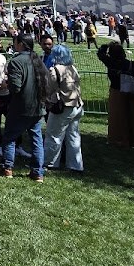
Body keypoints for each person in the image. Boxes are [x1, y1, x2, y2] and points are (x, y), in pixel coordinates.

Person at [0, 34, 45, 181]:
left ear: (21, 44)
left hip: (21, 107)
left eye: (15, 42)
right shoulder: (37, 60)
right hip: (38, 106)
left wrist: (6, 84)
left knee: (10, 137)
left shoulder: (16, 61)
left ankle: (7, 167)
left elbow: (16, 87)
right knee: (36, 140)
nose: (14, 44)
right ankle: (37, 172)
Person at [99, 41, 134, 149]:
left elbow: (100, 54)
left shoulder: (111, 63)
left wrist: (106, 45)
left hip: (117, 92)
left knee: (118, 117)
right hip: (130, 92)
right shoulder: (129, 64)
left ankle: (119, 139)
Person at [42, 44, 84, 173]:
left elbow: (49, 89)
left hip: (63, 106)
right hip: (77, 105)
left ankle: (50, 163)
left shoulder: (54, 70)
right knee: (73, 136)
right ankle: (76, 165)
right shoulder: (73, 68)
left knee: (54, 135)